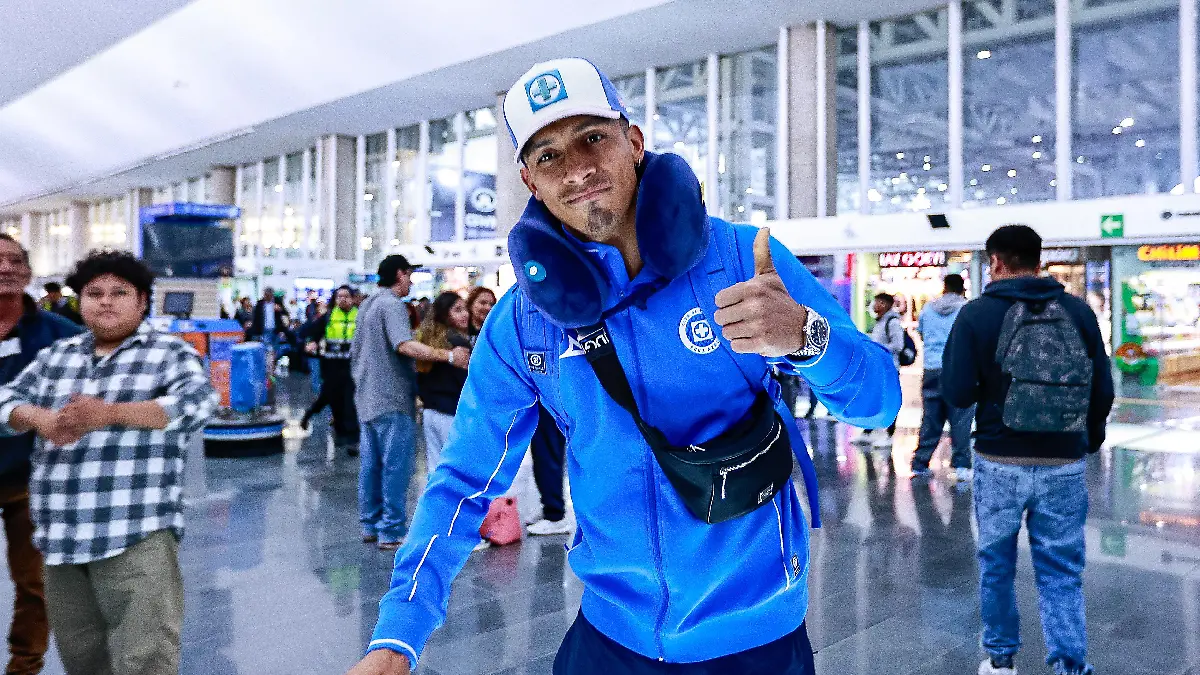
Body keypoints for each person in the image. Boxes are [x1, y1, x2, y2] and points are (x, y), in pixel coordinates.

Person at [346, 57, 899, 675]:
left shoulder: (742, 259)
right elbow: (463, 479)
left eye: (592, 138)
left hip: (757, 637)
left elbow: (880, 400)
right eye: (549, 155)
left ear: (633, 143)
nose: (578, 168)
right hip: (611, 639)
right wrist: (397, 636)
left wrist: (808, 336)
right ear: (530, 180)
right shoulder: (525, 321)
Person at [0, 250, 217, 675]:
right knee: (84, 661)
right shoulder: (58, 357)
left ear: (142, 302)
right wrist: (38, 418)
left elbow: (195, 405)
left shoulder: (170, 354)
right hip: (61, 541)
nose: (106, 301)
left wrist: (112, 413)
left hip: (135, 535)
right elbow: (5, 397)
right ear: (79, 301)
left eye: (120, 292)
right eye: (94, 292)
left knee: (143, 661)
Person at [941, 225, 1114, 675]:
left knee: (996, 564)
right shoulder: (1077, 311)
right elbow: (1103, 388)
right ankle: (1070, 666)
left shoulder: (976, 314)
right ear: (1039, 259)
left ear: (995, 262)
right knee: (1061, 570)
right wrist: (1087, 439)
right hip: (1064, 462)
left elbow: (957, 393)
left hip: (999, 460)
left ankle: (1001, 662)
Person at [0, 235, 83, 675]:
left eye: (15, 261)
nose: (6, 268)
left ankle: (24, 665)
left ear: (29, 275)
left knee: (35, 583)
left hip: (31, 479)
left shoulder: (60, 336)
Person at [351, 256, 469, 551]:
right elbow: (403, 345)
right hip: (391, 396)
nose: (411, 282)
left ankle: (371, 524)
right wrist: (450, 356)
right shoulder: (391, 304)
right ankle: (391, 530)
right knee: (395, 465)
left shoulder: (367, 304)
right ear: (400, 274)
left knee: (371, 465)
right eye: (409, 276)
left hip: (367, 396)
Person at [910, 273, 974, 481]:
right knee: (961, 419)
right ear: (962, 288)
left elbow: (921, 334)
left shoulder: (928, 308)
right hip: (959, 368)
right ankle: (961, 465)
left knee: (931, 418)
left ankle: (920, 463)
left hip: (931, 368)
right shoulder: (967, 308)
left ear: (944, 287)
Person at [413, 292, 473, 471]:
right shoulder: (457, 343)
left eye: (465, 309)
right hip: (452, 413)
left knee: (436, 468)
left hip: (431, 412)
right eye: (458, 310)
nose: (465, 314)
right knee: (457, 469)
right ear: (445, 314)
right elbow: (466, 383)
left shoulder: (429, 342)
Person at [302, 286, 360, 451]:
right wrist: (311, 342)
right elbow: (310, 332)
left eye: (346, 296)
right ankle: (310, 414)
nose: (343, 299)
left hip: (352, 366)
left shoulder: (360, 316)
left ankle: (351, 439)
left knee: (350, 401)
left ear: (352, 298)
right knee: (330, 398)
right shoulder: (328, 316)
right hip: (331, 366)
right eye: (339, 296)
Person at [857, 292, 903, 448]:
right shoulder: (880, 321)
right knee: (873, 398)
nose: (875, 305)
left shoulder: (892, 321)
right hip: (878, 368)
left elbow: (898, 345)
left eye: (878, 302)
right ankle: (868, 432)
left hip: (890, 368)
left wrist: (877, 349)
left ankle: (890, 434)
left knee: (889, 400)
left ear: (886, 304)